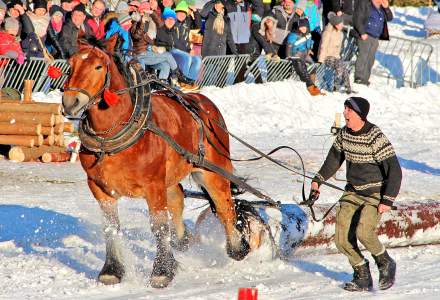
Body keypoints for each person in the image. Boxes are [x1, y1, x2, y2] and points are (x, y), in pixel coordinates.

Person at [308, 97, 401, 291]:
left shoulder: (374, 136)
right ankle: (362, 274)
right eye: (344, 109)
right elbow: (334, 159)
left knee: (364, 232)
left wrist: (387, 199)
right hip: (352, 191)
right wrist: (318, 180)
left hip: (375, 193)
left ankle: (385, 262)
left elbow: (394, 170)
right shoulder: (344, 134)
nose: (344, 113)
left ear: (360, 115)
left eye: (349, 110)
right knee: (341, 240)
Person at [353, 0, 393, 86]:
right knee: (363, 57)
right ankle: (359, 78)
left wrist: (386, 8)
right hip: (365, 35)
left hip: (375, 37)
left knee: (370, 59)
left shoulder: (382, 8)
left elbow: (390, 18)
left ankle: (365, 79)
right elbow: (357, 18)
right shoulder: (365, 3)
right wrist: (362, 32)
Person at [286, 18, 322, 96]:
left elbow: (309, 43)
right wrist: (288, 55)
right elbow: (289, 46)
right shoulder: (293, 35)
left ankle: (313, 83)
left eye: (304, 27)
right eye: (301, 27)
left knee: (313, 66)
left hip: (304, 54)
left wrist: (309, 49)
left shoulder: (308, 34)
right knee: (302, 70)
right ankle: (310, 87)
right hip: (295, 54)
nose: (302, 29)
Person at [318, 11, 352, 93]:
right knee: (339, 67)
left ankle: (347, 87)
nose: (342, 25)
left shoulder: (340, 34)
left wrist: (338, 58)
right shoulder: (327, 33)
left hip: (335, 57)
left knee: (344, 68)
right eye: (340, 24)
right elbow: (323, 46)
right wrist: (320, 60)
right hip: (326, 56)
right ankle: (335, 87)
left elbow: (338, 48)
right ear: (336, 25)